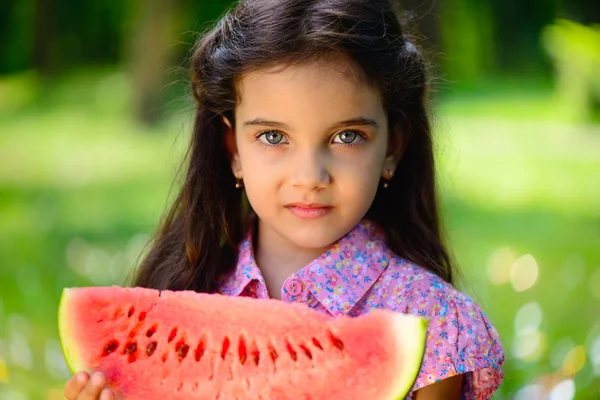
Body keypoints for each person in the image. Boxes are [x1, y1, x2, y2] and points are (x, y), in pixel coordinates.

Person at [64, 0, 505, 398]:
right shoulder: (180, 293)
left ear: (392, 148)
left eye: (347, 136)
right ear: (233, 149)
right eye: (273, 137)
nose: (309, 177)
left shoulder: (434, 322)